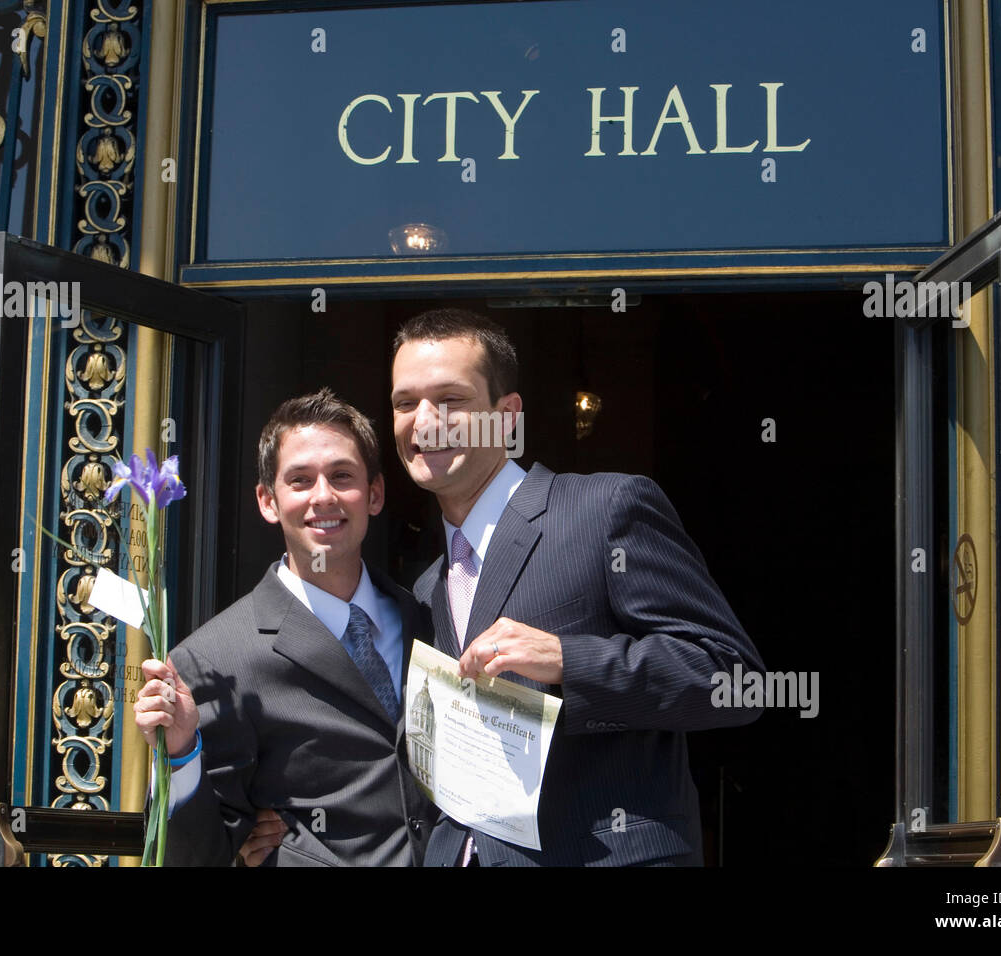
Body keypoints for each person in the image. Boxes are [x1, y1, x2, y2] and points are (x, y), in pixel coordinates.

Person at [389, 309, 766, 866]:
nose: (423, 422)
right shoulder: (424, 582)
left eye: (450, 400)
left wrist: (570, 659)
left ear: (507, 416)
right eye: (404, 403)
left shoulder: (605, 509)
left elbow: (734, 678)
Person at [134, 388, 436, 865]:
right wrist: (181, 753)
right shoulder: (212, 660)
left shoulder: (427, 618)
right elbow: (197, 854)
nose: (324, 496)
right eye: (300, 480)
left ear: (374, 494)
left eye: (342, 476)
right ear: (268, 501)